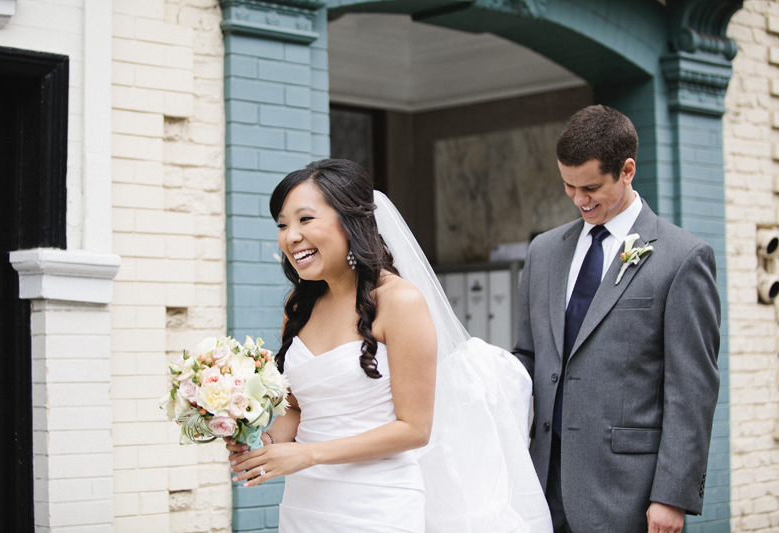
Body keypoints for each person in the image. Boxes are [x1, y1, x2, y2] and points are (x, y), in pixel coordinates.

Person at [225, 159, 551, 532]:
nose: (291, 236)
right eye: (282, 224)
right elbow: (297, 408)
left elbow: (414, 429)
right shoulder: (297, 308)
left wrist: (308, 454)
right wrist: (261, 441)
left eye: (305, 219)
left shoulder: (400, 302)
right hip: (306, 501)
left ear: (350, 220)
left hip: (376, 503)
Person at [513, 105, 721, 533]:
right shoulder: (543, 253)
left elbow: (691, 388)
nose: (578, 200)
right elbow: (528, 357)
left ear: (627, 171)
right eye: (568, 186)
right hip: (540, 487)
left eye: (590, 187)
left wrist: (671, 495)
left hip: (627, 494)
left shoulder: (682, 258)